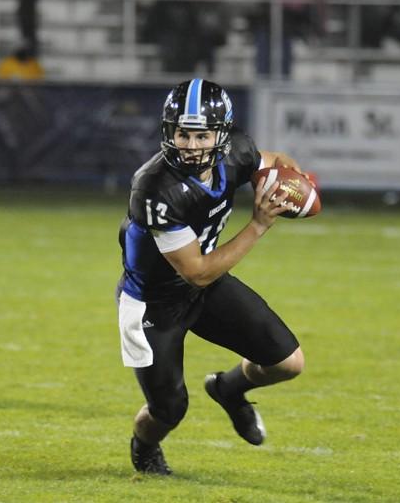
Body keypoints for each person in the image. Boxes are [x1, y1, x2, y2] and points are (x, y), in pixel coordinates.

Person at [116, 78, 307, 476]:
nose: (191, 144)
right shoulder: (154, 187)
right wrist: (258, 225)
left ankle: (230, 388)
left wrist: (293, 184)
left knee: (287, 363)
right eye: (183, 133)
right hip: (154, 302)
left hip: (202, 287)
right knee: (169, 410)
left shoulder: (236, 152)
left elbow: (276, 161)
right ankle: (145, 446)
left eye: (201, 134)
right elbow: (197, 272)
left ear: (221, 134)